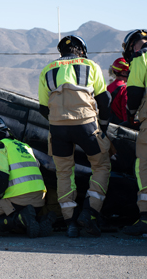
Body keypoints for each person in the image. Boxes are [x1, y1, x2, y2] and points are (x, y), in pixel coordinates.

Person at [38, 35, 112, 238]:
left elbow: (43, 108)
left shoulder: (48, 69)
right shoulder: (91, 65)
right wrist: (103, 126)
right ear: (81, 50)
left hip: (58, 128)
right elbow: (104, 100)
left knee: (63, 173)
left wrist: (58, 121)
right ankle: (89, 212)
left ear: (61, 52)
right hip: (86, 124)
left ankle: (70, 222)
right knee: (102, 165)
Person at [0, 115, 56, 238]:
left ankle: (17, 220)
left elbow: (2, 177)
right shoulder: (24, 146)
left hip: (19, 198)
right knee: (21, 227)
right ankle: (39, 220)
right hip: (39, 198)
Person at [120, 30, 147, 237]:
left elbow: (133, 92)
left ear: (132, 45)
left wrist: (132, 115)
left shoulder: (141, 58)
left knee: (144, 166)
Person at [107, 57, 130, 125]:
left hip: (111, 124)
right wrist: (128, 123)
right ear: (123, 73)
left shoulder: (108, 87)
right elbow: (125, 108)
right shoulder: (124, 88)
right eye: (128, 72)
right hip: (121, 124)